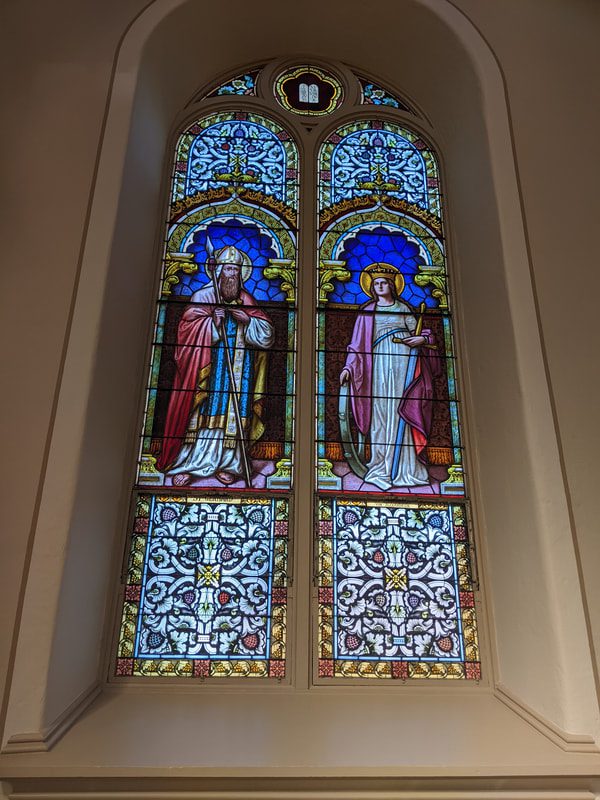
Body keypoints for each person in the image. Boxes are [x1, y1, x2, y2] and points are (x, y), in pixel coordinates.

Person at [157, 245, 274, 486]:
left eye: (236, 270)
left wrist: (248, 320)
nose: (232, 274)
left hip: (239, 372)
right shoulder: (203, 297)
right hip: (207, 370)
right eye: (229, 269)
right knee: (202, 412)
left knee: (234, 413)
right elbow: (186, 333)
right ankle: (192, 463)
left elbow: (267, 335)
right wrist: (211, 324)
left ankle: (230, 464)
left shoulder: (246, 299)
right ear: (219, 270)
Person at [340, 263, 439, 490]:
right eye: (376, 283)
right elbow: (356, 345)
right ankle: (381, 465)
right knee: (381, 411)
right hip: (378, 366)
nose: (380, 286)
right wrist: (348, 367)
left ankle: (407, 467)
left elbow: (419, 333)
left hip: (403, 362)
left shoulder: (403, 308)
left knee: (401, 409)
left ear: (392, 286)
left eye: (383, 282)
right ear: (371, 287)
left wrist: (421, 340)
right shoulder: (367, 312)